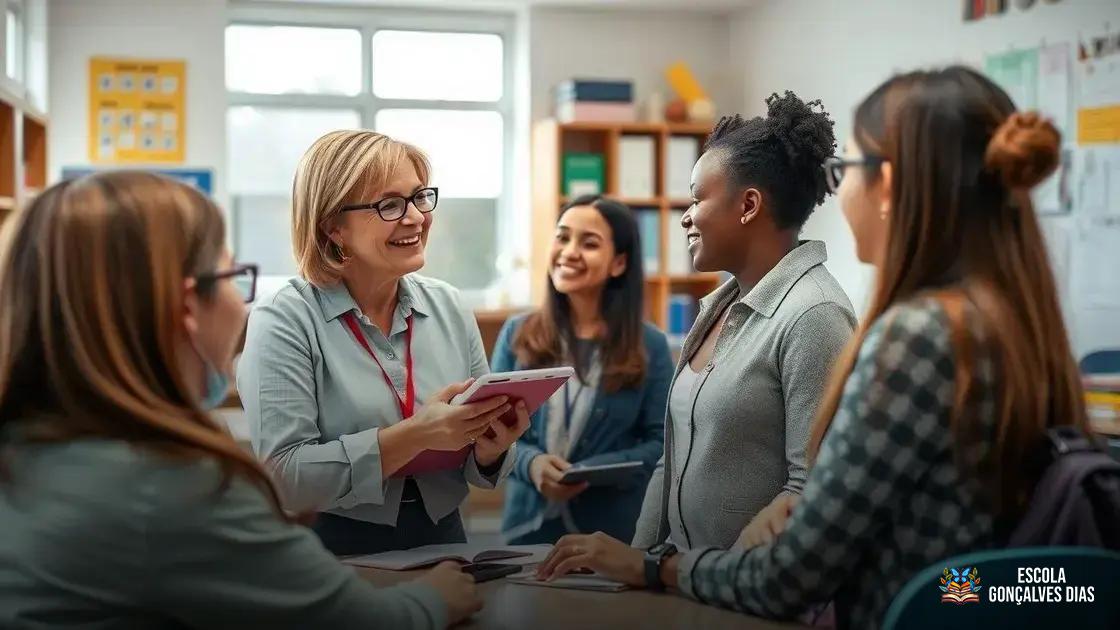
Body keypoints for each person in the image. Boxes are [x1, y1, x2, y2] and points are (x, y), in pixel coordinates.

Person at [538, 66, 1089, 630]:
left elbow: (796, 573)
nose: (838, 190)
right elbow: (981, 578)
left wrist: (662, 569)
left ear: (888, 185)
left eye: (846, 170)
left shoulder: (915, 336)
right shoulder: (1003, 318)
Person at [0, 172, 482, 628]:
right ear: (190, 306)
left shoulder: (29, 450)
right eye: (233, 276)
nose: (243, 302)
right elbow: (361, 622)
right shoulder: (170, 487)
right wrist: (436, 597)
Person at [238, 130, 530, 556]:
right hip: (331, 547)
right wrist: (416, 435)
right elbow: (285, 477)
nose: (415, 217)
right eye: (389, 205)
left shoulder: (448, 305)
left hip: (443, 538)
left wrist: (492, 449)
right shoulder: (284, 318)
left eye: (419, 198)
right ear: (333, 226)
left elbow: (481, 465)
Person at [493, 195, 672, 544]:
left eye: (589, 243)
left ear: (618, 263)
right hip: (526, 533)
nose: (569, 252)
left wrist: (595, 471)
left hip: (610, 537)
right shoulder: (518, 333)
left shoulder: (650, 344)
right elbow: (491, 429)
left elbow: (661, 443)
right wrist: (531, 464)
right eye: (562, 237)